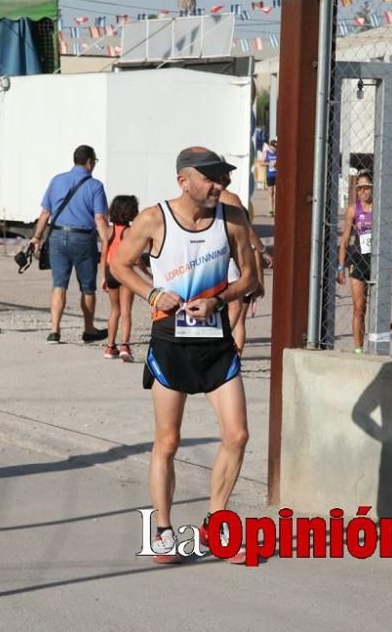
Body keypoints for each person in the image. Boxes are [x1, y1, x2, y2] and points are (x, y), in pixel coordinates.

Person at [110, 146, 258, 564]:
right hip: (171, 344)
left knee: (237, 435)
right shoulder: (154, 219)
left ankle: (216, 525)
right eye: (211, 178)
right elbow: (120, 264)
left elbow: (248, 275)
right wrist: (153, 293)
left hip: (216, 343)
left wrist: (219, 298)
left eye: (224, 178)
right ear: (184, 181)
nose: (220, 185)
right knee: (168, 441)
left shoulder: (233, 218)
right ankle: (162, 530)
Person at [28, 145, 110, 345]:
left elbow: (45, 214)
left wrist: (36, 237)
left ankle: (54, 331)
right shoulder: (95, 186)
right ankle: (89, 329)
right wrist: (108, 242)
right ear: (90, 162)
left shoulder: (56, 180)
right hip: (83, 238)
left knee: (59, 285)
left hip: (56, 236)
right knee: (87, 287)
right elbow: (99, 218)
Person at [336, 172, 392, 354]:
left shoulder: (384, 208)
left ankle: (378, 347)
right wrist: (340, 266)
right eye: (359, 188)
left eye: (366, 187)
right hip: (360, 261)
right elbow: (345, 239)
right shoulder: (353, 210)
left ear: (373, 188)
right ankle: (358, 350)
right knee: (359, 308)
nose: (363, 192)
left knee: (379, 310)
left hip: (380, 262)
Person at [218, 168, 271, 355]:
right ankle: (229, 351)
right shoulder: (229, 198)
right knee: (237, 312)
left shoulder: (199, 198)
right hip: (230, 258)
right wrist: (263, 250)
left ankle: (223, 348)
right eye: (227, 175)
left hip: (211, 258)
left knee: (219, 308)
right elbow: (247, 230)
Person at [101, 195, 143, 361]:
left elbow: (104, 254)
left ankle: (110, 346)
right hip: (125, 272)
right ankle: (125, 345)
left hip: (111, 272)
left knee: (114, 311)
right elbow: (137, 257)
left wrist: (103, 276)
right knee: (126, 311)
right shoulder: (130, 232)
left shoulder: (109, 231)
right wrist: (145, 273)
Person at [265, 139, 278, 217]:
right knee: (271, 193)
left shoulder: (278, 153)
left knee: (276, 193)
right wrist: (269, 163)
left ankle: (276, 210)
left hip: (276, 175)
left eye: (276, 147)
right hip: (270, 175)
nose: (275, 148)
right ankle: (271, 210)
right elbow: (261, 163)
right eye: (274, 147)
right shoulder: (267, 153)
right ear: (270, 146)